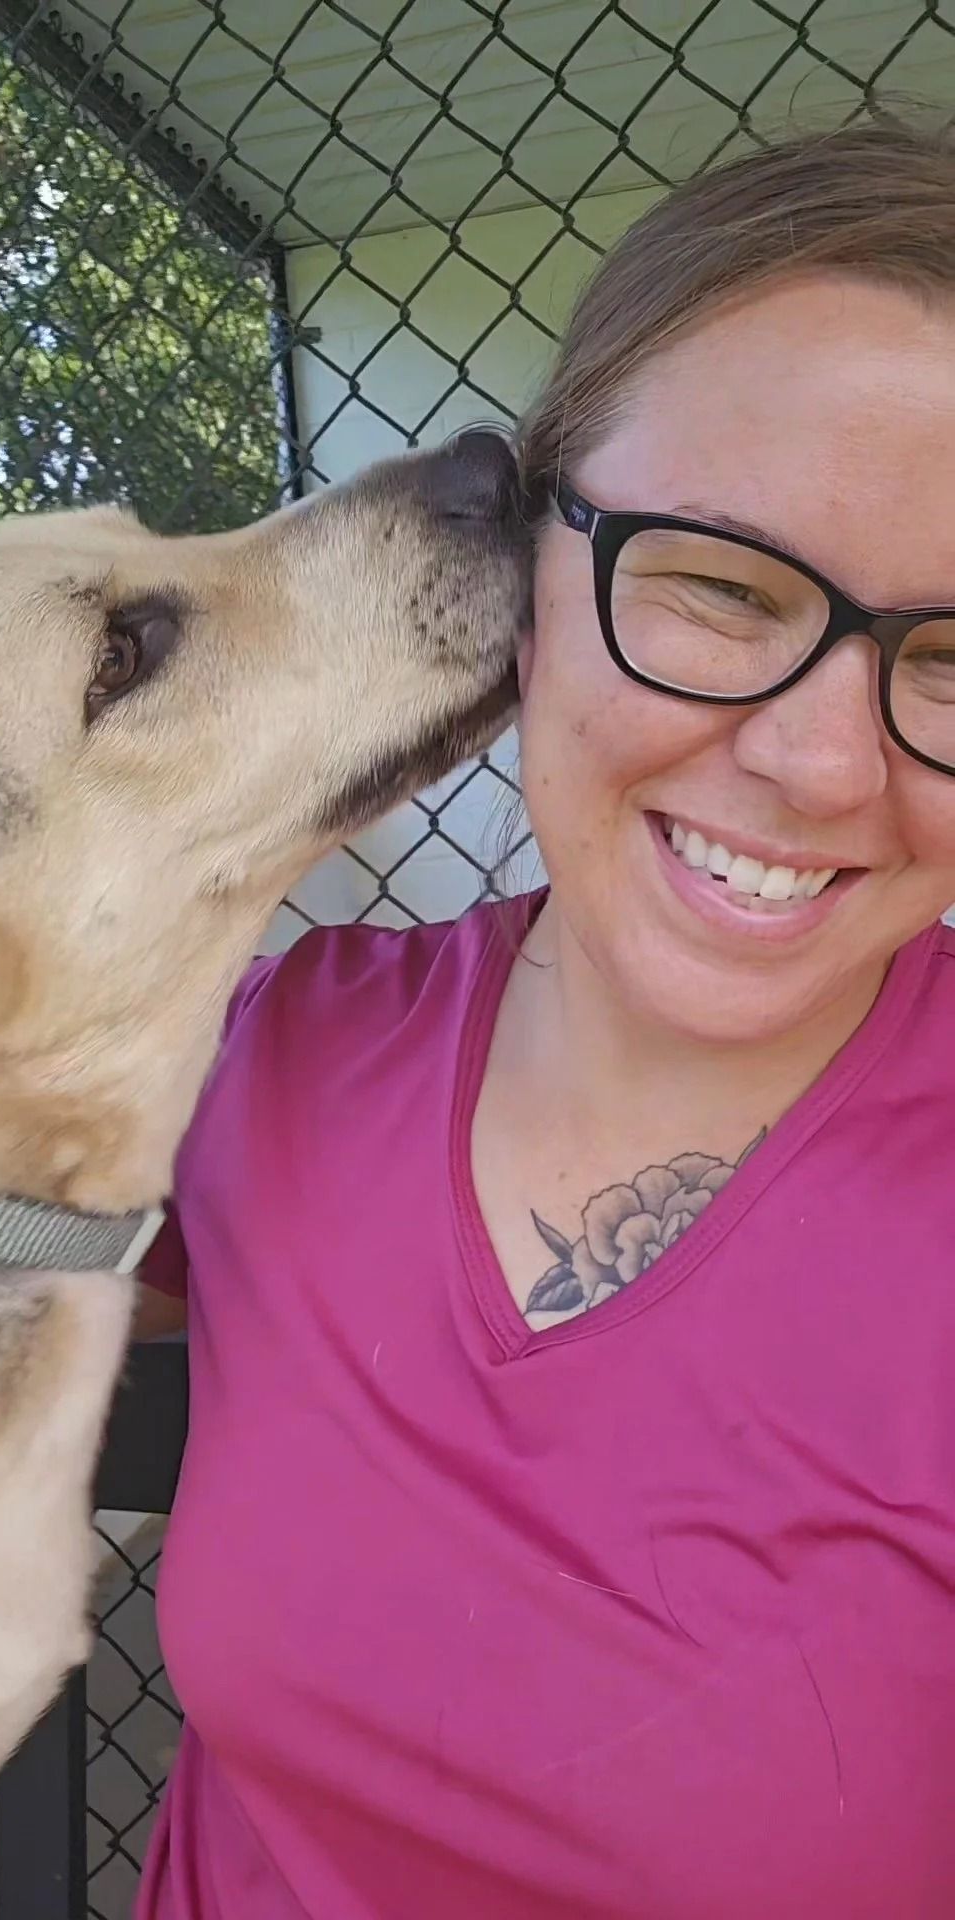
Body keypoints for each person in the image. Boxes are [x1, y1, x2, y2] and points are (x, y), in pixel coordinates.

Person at [134, 112, 955, 1919]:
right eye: (722, 589)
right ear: (533, 576)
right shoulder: (257, 1050)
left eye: (952, 659)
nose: (827, 761)